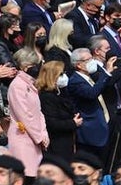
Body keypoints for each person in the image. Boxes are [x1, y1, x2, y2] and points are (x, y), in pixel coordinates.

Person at [6, 49, 50, 178]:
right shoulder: (17, 85)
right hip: (23, 138)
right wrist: (39, 137)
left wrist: (44, 133)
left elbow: (38, 112)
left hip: (34, 139)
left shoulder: (31, 84)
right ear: (25, 67)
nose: (39, 67)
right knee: (25, 177)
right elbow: (24, 115)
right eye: (35, 65)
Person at [38, 60, 79, 159]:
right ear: (52, 76)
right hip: (56, 144)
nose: (64, 76)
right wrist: (73, 123)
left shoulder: (60, 92)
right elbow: (51, 123)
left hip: (67, 141)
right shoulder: (46, 97)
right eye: (61, 74)